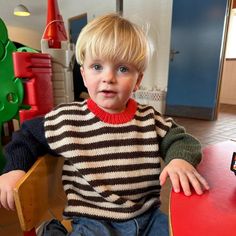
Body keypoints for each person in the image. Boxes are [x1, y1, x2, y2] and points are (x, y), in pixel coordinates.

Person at [0, 13, 209, 236]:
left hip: (147, 218)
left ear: (138, 80)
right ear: (84, 74)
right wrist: (14, 169)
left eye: (122, 69)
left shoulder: (150, 119)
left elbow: (182, 139)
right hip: (93, 220)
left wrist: (179, 159)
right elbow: (27, 136)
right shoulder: (68, 120)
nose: (108, 77)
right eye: (97, 66)